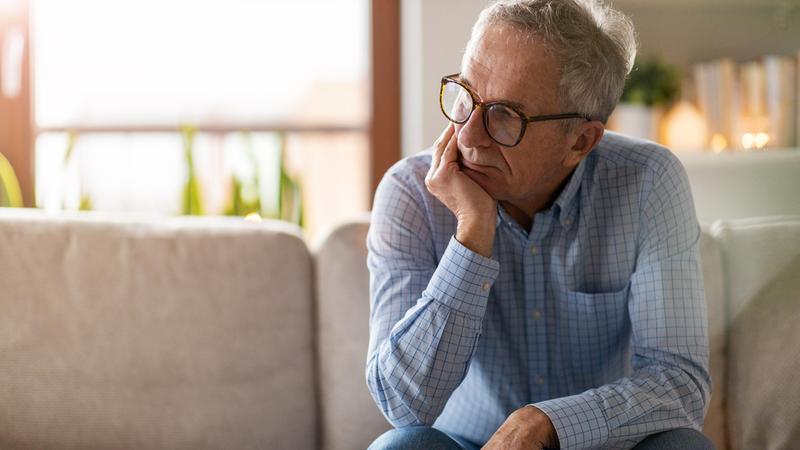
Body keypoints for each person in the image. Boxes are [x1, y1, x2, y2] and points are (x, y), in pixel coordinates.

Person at [365, 1, 714, 449]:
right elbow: (403, 406)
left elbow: (680, 384)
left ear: (580, 141)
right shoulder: (411, 192)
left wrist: (548, 423)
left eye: (505, 115)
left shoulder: (648, 180)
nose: (468, 135)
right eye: (465, 94)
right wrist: (472, 233)